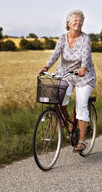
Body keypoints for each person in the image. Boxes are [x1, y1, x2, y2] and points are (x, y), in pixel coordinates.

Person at [38, 10, 96, 153]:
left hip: (84, 76)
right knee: (60, 99)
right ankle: (68, 124)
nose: (78, 22)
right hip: (66, 74)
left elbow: (86, 56)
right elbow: (56, 53)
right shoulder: (63, 38)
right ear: (68, 23)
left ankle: (81, 140)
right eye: (75, 20)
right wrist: (46, 66)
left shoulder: (85, 39)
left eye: (80, 20)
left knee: (81, 105)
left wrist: (83, 68)